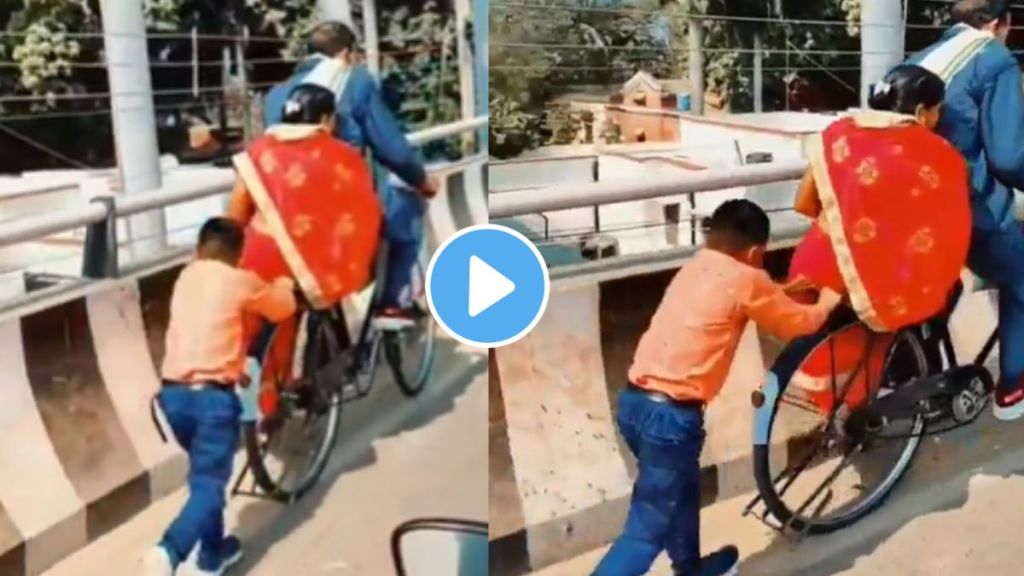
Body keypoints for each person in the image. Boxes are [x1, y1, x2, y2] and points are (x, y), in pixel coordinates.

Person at [594, 200, 842, 576]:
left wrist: (785, 289)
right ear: (757, 251)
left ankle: (691, 568)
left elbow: (740, 296)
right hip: (671, 419)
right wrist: (826, 303)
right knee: (645, 531)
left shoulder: (695, 266)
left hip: (633, 405)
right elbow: (797, 324)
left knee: (683, 491)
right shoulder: (749, 280)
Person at [783, 65, 972, 413]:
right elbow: (948, 228)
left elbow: (803, 204)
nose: (937, 117)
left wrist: (851, 226)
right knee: (942, 287)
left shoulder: (836, 135)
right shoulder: (936, 152)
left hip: (814, 264)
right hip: (868, 280)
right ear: (919, 112)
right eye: (936, 110)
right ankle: (905, 384)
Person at [143, 218, 297, 576]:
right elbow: (282, 307)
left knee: (203, 477)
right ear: (238, 255)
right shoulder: (240, 280)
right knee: (211, 487)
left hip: (172, 399)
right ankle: (169, 551)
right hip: (213, 399)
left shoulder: (185, 277)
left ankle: (213, 554)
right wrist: (284, 285)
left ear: (198, 250)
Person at [263, 21, 437, 329]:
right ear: (347, 53)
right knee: (407, 217)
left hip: (286, 208)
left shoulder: (275, 94)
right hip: (342, 204)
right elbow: (391, 147)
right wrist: (421, 180)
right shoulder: (355, 81)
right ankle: (394, 305)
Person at [901, 0, 1024, 420]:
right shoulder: (994, 57)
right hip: (967, 206)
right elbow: (1008, 157)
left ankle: (919, 378)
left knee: (939, 291)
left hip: (910, 206)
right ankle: (1013, 390)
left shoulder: (925, 56)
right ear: (998, 23)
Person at [227, 83, 382, 414]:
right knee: (322, 296)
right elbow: (361, 214)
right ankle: (308, 380)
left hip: (258, 261)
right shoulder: (341, 155)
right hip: (313, 266)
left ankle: (261, 407)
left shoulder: (257, 152)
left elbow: (236, 213)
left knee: (260, 323)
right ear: (327, 119)